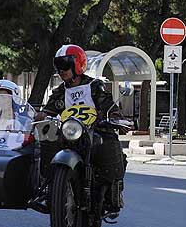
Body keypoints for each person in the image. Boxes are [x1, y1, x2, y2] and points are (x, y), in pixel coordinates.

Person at [35, 44, 126, 212]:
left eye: (65, 65)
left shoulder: (94, 86)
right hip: (68, 133)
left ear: (77, 64)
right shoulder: (59, 92)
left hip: (94, 130)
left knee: (109, 142)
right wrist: (38, 116)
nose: (61, 70)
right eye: (58, 66)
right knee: (47, 139)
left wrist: (113, 117)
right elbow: (49, 110)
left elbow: (109, 106)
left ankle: (113, 191)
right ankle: (50, 187)